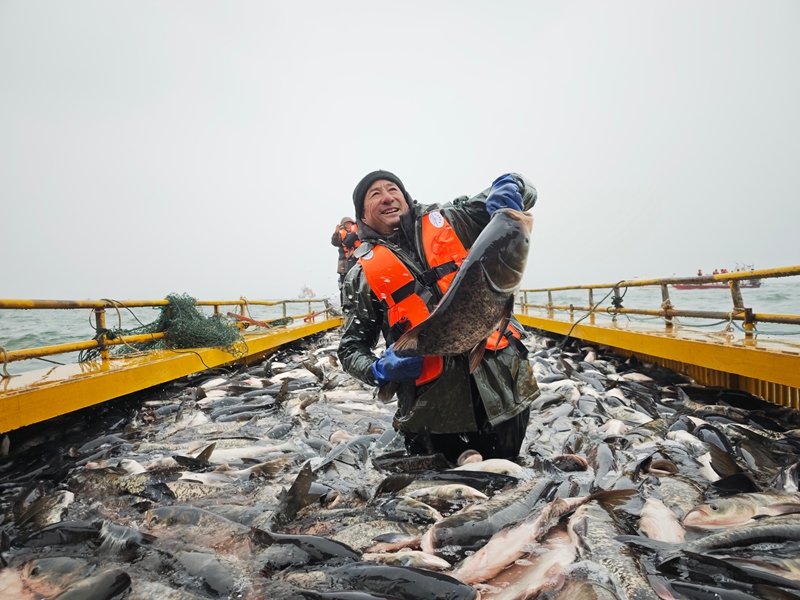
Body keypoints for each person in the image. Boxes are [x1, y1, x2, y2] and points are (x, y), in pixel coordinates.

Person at [337, 170, 540, 464]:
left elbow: (526, 197)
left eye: (392, 189)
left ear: (405, 197)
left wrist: (513, 184)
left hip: (505, 391)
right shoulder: (359, 277)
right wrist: (378, 369)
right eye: (375, 194)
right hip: (431, 413)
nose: (387, 197)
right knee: (447, 489)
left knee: (509, 473)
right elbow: (350, 348)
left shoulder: (454, 218)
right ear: (362, 216)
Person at [331, 217, 360, 291]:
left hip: (357, 260)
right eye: (346, 224)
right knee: (344, 283)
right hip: (344, 263)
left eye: (350, 223)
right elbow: (335, 242)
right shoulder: (340, 234)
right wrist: (336, 233)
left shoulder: (359, 232)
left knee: (357, 281)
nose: (348, 225)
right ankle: (344, 293)